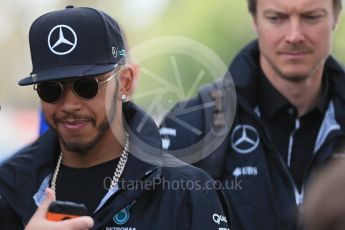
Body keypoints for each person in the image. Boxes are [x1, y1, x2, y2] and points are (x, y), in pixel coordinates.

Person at [0, 6, 231, 230]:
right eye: (51, 89)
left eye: (86, 86)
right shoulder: (8, 188)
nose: (69, 105)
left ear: (126, 82)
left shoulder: (186, 192)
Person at [160, 0, 344, 229]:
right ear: (255, 19)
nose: (295, 35)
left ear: (336, 16)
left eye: (311, 17)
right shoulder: (191, 125)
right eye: (276, 18)